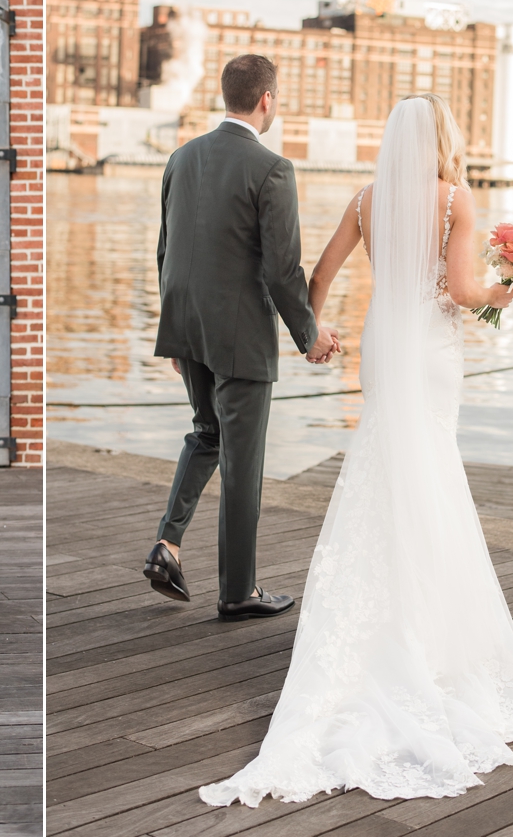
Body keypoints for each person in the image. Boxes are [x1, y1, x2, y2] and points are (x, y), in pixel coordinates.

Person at [200, 94, 513, 807]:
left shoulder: (366, 199)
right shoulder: (455, 200)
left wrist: (313, 335)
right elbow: (459, 290)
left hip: (384, 347)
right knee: (432, 473)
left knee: (386, 465)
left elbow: (315, 276)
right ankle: (426, 628)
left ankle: (379, 616)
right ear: (442, 139)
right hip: (429, 349)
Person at [142, 54, 340, 620]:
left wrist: (177, 332)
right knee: (242, 468)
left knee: (206, 432)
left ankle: (168, 544)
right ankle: (238, 592)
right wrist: (309, 336)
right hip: (240, 338)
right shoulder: (272, 168)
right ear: (267, 100)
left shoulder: (181, 157)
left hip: (187, 324)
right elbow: (283, 270)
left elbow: (166, 250)